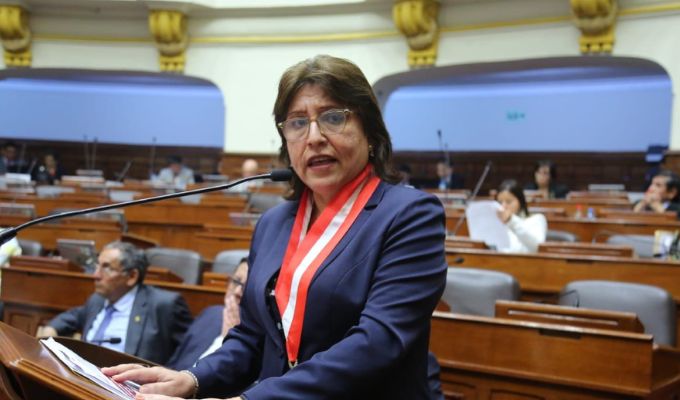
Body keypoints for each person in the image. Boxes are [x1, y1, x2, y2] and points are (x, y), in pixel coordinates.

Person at [103, 54, 447, 400]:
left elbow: (378, 343)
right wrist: (191, 380)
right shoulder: (273, 223)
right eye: (297, 123)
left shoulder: (410, 215)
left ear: (370, 131)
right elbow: (252, 338)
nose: (314, 137)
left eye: (333, 117)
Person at [41, 241, 193, 364]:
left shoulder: (164, 305)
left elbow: (190, 352)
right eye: (97, 266)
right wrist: (51, 329)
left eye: (106, 268)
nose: (96, 275)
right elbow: (74, 315)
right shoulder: (98, 299)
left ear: (132, 276)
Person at [165, 260, 249, 370]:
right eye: (236, 282)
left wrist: (231, 339)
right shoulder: (210, 314)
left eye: (248, 286)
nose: (237, 291)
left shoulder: (264, 340)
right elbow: (173, 366)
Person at [496, 179, 547, 253]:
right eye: (500, 203)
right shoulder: (495, 223)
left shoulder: (537, 219)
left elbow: (537, 247)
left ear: (520, 201)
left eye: (509, 201)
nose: (503, 207)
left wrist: (511, 221)